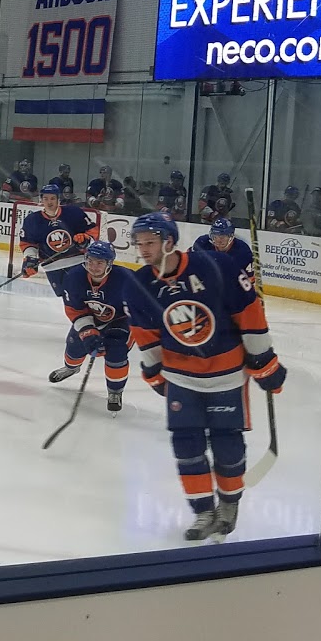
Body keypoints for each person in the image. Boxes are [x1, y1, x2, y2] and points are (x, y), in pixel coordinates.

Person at [123, 212, 285, 541]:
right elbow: (146, 334)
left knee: (227, 445)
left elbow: (249, 312)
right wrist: (153, 371)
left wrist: (263, 358)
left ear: (169, 242)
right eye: (139, 244)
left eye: (149, 242)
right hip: (182, 376)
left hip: (226, 373)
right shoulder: (141, 284)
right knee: (186, 447)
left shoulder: (214, 267)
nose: (143, 250)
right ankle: (203, 512)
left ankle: (228, 505)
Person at [53, 240, 131, 412]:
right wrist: (88, 332)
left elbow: (141, 306)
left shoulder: (126, 279)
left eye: (100, 262)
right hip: (91, 318)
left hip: (120, 320)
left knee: (116, 351)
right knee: (75, 344)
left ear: (109, 264)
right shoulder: (74, 277)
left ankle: (115, 391)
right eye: (91, 261)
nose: (94, 267)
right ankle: (71, 368)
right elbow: (74, 309)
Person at [18, 183, 98, 300]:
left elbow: (92, 231)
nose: (49, 202)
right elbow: (28, 243)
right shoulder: (32, 220)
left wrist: (86, 239)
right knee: (67, 299)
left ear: (58, 199)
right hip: (52, 267)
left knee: (86, 295)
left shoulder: (74, 213)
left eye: (52, 198)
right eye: (45, 198)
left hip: (78, 262)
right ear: (41, 200)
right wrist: (30, 259)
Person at [192, 216, 254, 281]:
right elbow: (190, 265)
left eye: (223, 237)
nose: (219, 240)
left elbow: (249, 279)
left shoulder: (243, 251)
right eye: (216, 236)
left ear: (231, 236)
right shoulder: (202, 244)